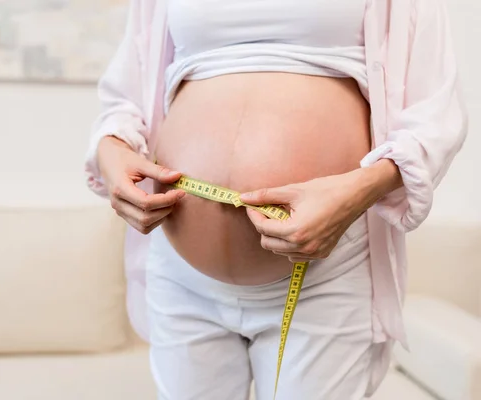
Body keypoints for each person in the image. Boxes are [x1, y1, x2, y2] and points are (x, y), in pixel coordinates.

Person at [84, 0, 468, 399]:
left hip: (327, 270)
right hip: (181, 274)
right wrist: (112, 152)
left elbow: (435, 113)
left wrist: (359, 189)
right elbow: (123, 99)